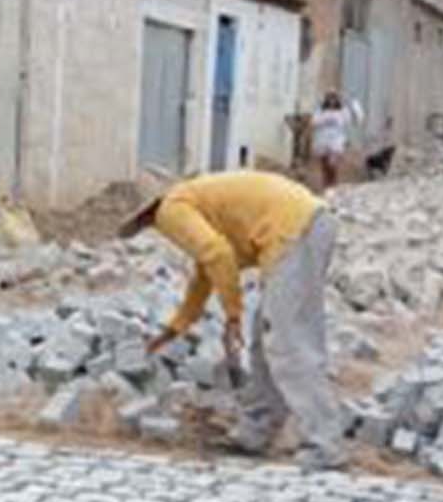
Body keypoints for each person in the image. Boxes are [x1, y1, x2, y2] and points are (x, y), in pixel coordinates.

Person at [121, 170, 346, 470]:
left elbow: (218, 255)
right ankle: (255, 432)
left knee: (288, 342)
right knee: (266, 342)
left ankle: (326, 444)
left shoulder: (171, 210)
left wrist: (232, 316)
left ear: (143, 213)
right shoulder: (191, 200)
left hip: (293, 230)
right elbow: (207, 269)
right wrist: (178, 326)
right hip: (305, 223)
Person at [308, 92, 357, 187]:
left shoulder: (342, 111)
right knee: (325, 167)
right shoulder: (320, 111)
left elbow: (350, 120)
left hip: (336, 144)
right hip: (322, 143)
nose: (332, 101)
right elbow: (313, 122)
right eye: (329, 98)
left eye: (334, 98)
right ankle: (326, 186)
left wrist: (351, 103)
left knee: (333, 166)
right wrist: (324, 119)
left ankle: (333, 186)